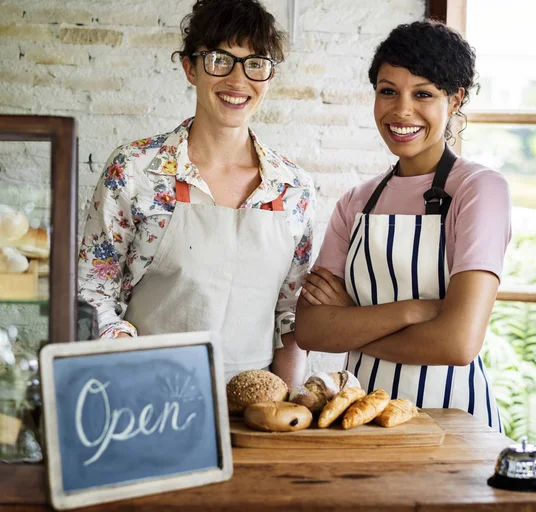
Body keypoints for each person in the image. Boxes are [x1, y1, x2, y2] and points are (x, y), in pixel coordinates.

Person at [78, 0, 315, 387]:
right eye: (220, 59)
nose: (238, 81)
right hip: (146, 396)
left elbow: (289, 314)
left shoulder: (293, 188)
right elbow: (92, 292)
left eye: (255, 63)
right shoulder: (134, 169)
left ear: (269, 77)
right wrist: (128, 369)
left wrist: (289, 407)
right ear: (190, 68)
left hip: (254, 410)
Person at [295, 20, 511, 431]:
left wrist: (351, 321)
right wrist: (415, 311)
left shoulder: (480, 190)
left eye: (423, 94)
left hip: (452, 422)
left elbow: (458, 342)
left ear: (455, 98)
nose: (401, 110)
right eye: (387, 91)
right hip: (359, 419)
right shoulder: (356, 202)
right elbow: (310, 330)